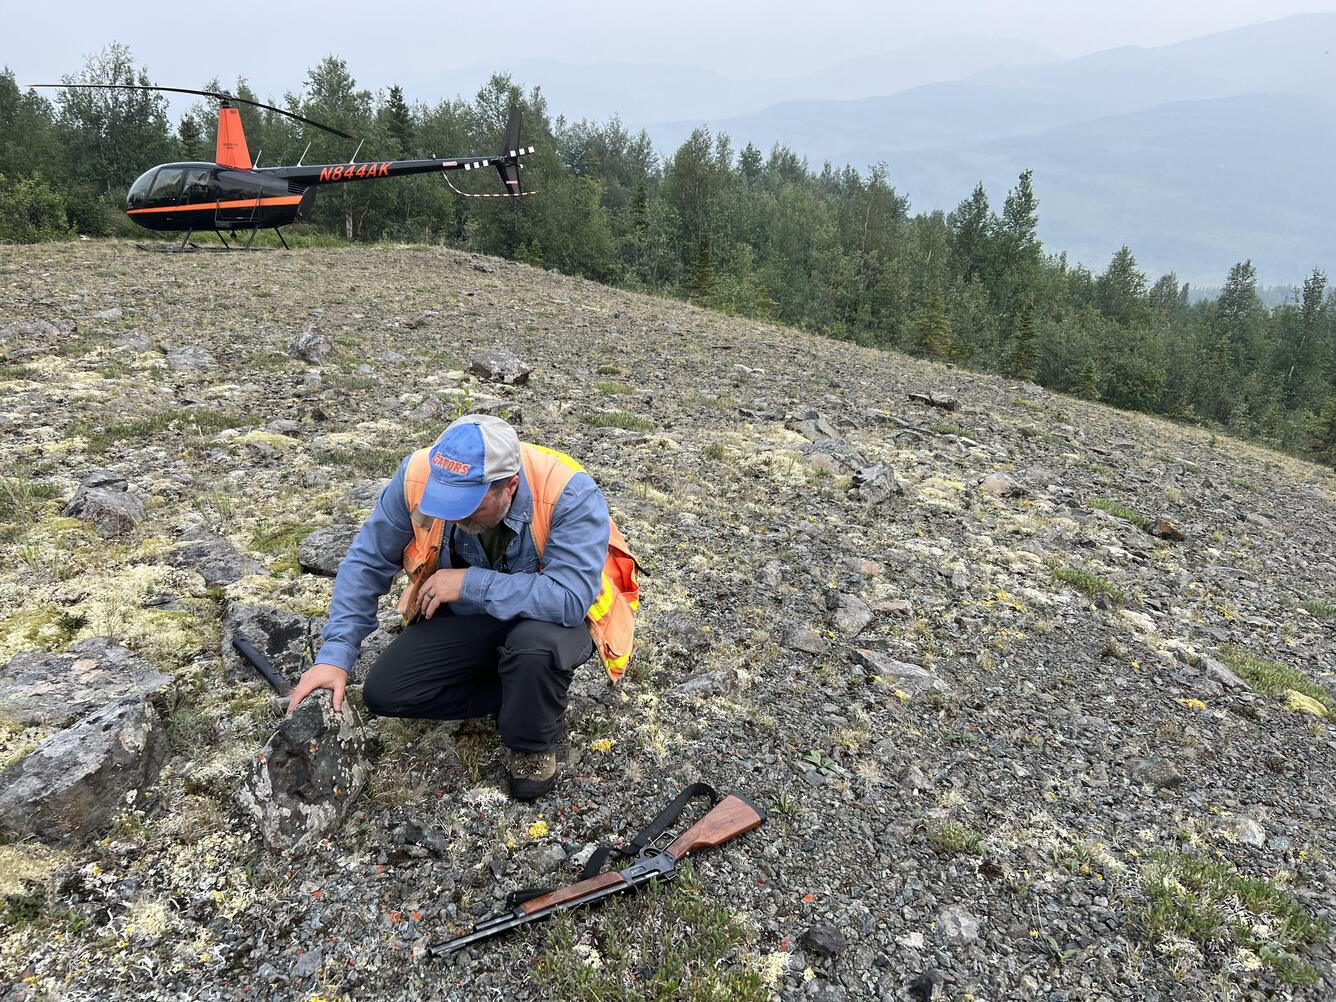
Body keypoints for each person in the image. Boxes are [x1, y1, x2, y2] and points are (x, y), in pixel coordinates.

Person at [287, 414, 614, 801]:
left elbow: (569, 599)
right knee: (386, 692)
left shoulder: (568, 491)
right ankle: (520, 688)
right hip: (471, 620)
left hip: (551, 620)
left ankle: (531, 740)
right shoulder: (419, 474)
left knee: (532, 649)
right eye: (447, 501)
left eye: (470, 505)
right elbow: (367, 561)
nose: (455, 517)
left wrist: (469, 583)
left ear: (509, 486)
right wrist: (335, 656)